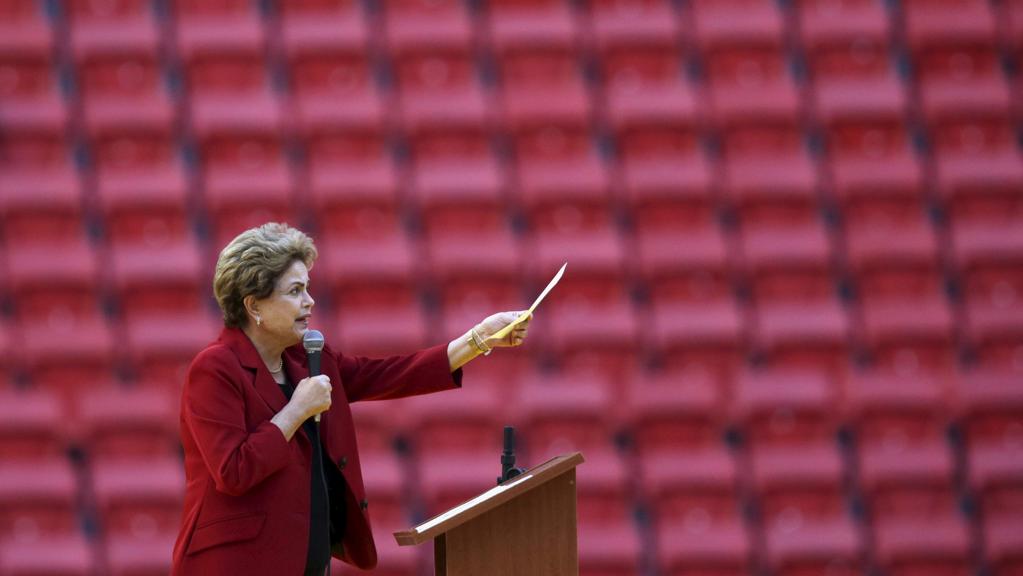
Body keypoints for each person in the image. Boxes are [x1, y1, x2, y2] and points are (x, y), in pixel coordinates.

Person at [171, 223, 530, 575]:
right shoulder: (215, 368)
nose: (309, 302)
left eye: (307, 288)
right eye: (295, 291)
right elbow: (234, 471)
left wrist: (478, 339)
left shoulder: (308, 357)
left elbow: (386, 375)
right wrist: (296, 410)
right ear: (254, 307)